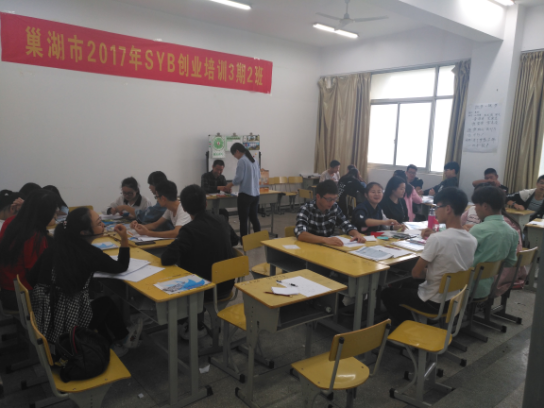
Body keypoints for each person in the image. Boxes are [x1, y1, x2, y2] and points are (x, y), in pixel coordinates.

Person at [27, 208, 142, 357]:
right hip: (67, 328)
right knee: (106, 303)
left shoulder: (55, 247)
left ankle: (111, 342)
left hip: (43, 319)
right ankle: (124, 338)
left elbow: (31, 278)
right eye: (99, 223)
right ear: (85, 232)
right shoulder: (90, 254)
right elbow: (121, 267)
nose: (103, 225)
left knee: (91, 305)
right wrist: (124, 239)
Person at [381, 187, 477, 325]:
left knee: (386, 293)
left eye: (437, 207)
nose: (435, 211)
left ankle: (409, 326)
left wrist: (432, 273)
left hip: (434, 302)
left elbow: (416, 273)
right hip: (455, 299)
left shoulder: (437, 239)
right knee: (408, 284)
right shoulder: (472, 239)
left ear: (448, 209)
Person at [161, 185, 239, 339]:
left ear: (184, 208)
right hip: (227, 285)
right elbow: (235, 240)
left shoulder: (188, 230)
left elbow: (166, 258)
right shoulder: (221, 220)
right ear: (206, 203)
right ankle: (196, 319)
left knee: (175, 274)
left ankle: (190, 322)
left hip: (204, 290)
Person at [0, 189, 58, 310]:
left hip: (7, 290)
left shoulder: (10, 221)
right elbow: (38, 275)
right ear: (46, 214)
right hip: (22, 296)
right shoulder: (34, 237)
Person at [461, 186, 518, 299]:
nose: (475, 209)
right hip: (486, 288)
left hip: (464, 287)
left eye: (476, 205)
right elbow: (510, 262)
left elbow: (461, 258)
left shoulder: (478, 229)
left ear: (485, 206)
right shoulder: (512, 232)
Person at [295, 180, 365, 246]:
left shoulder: (334, 207)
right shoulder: (306, 208)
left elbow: (346, 224)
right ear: (318, 196)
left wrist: (356, 234)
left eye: (334, 199)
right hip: (310, 246)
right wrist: (325, 240)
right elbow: (301, 234)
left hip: (329, 246)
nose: (332, 202)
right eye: (329, 199)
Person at [224, 143, 261, 237]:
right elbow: (259, 176)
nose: (235, 157)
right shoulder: (254, 160)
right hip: (256, 194)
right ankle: (259, 239)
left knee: (243, 220)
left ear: (237, 151)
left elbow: (238, 179)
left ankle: (244, 241)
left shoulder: (242, 161)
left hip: (245, 195)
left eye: (234, 154)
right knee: (254, 218)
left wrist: (229, 185)